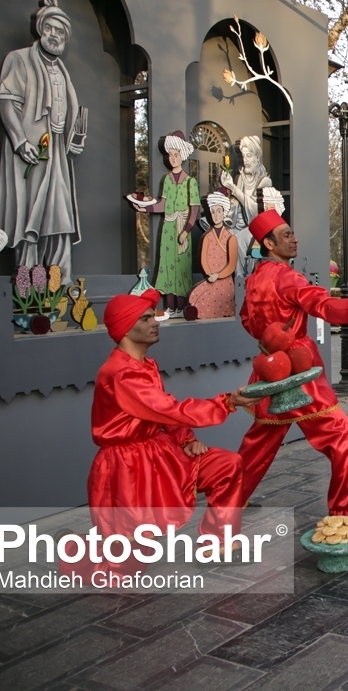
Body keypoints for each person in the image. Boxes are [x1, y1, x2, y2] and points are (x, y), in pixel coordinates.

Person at [237, 210, 348, 516]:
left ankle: (231, 499)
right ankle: (345, 510)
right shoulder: (288, 276)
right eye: (286, 235)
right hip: (298, 367)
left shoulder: (254, 279)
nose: (294, 239)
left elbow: (247, 319)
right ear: (270, 244)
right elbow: (321, 303)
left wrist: (269, 338)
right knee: (339, 436)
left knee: (260, 440)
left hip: (269, 365)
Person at [90, 289, 254, 542]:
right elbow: (168, 409)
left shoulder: (144, 365)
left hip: (161, 453)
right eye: (145, 319)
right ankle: (75, 548)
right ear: (124, 328)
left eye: (152, 316)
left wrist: (186, 440)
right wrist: (228, 402)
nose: (155, 322)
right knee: (124, 563)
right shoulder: (120, 373)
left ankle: (218, 543)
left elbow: (163, 415)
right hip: (128, 469)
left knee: (227, 465)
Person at [0, 0, 88, 281]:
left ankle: (60, 283)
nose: (55, 35)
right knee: (30, 218)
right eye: (49, 28)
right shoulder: (19, 58)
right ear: (40, 29)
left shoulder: (62, 70)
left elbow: (69, 112)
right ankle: (27, 283)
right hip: (32, 153)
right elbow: (7, 102)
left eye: (61, 31)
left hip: (58, 152)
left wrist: (75, 137)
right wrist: (21, 141)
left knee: (60, 217)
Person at [134, 132, 200, 317]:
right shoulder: (167, 180)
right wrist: (143, 208)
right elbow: (162, 204)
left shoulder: (190, 182)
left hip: (181, 227)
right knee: (167, 265)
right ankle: (170, 306)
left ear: (182, 155)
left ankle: (181, 306)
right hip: (168, 227)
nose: (172, 158)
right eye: (170, 154)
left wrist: (187, 230)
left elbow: (194, 208)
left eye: (176, 154)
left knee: (182, 267)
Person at [220, 135, 274, 282]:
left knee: (237, 239)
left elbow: (256, 209)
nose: (246, 160)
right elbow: (236, 203)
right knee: (219, 236)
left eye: (249, 155)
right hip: (238, 223)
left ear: (257, 156)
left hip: (256, 227)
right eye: (244, 156)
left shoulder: (265, 181)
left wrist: (233, 188)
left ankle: (241, 280)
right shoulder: (240, 178)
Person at [187, 191, 239, 319]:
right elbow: (203, 259)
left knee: (211, 299)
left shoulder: (231, 238)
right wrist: (210, 274)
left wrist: (218, 275)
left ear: (224, 213)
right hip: (210, 278)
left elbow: (232, 264)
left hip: (225, 282)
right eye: (213, 211)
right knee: (195, 295)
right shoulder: (207, 237)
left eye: (219, 211)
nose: (216, 215)